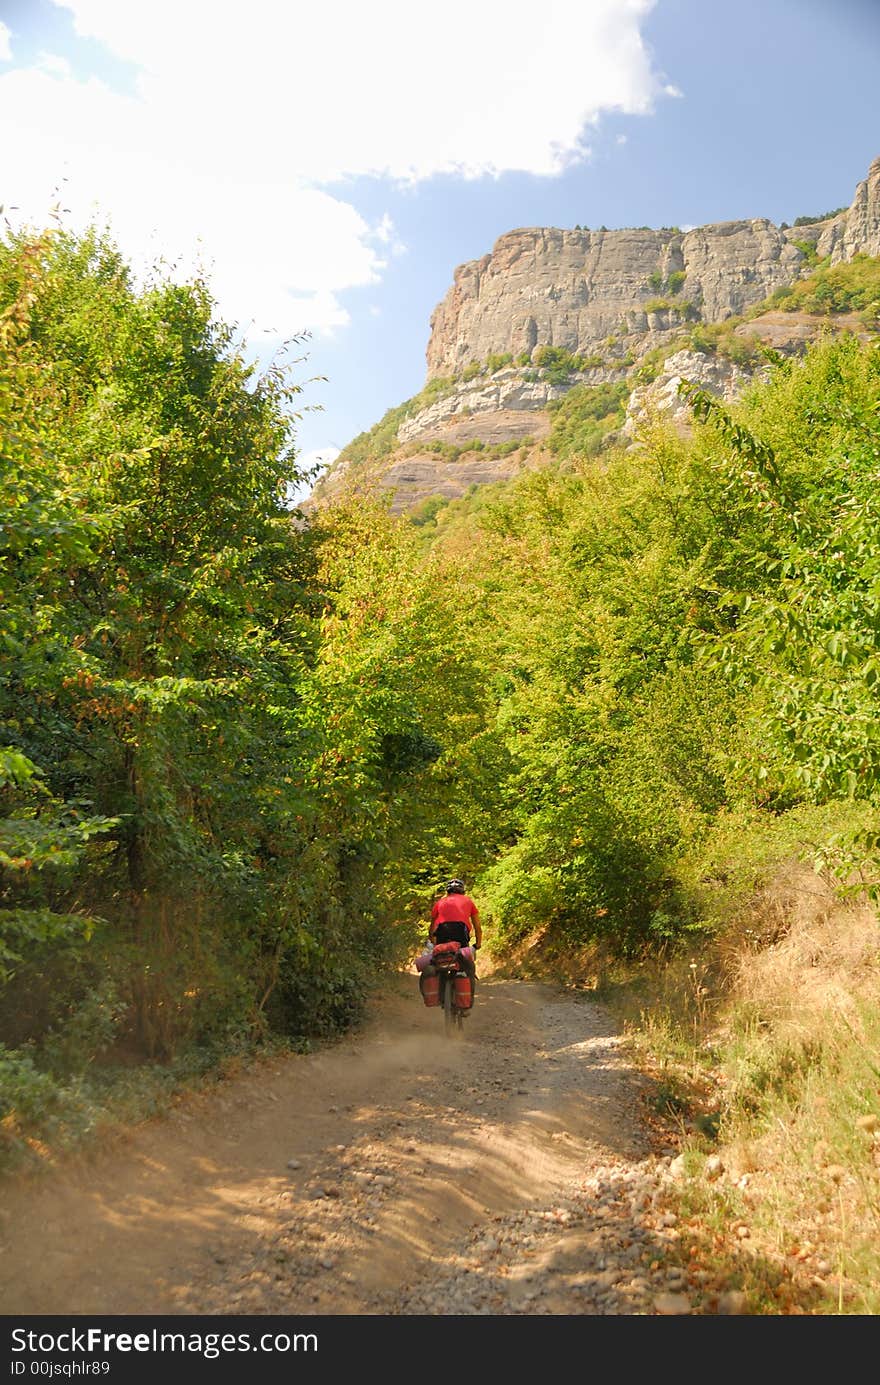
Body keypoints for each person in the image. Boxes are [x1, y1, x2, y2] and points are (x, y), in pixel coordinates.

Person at [425, 877, 481, 998]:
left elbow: (432, 928)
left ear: (448, 891)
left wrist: (434, 943)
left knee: (438, 963)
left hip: (441, 937)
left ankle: (439, 995)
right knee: (468, 965)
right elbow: (477, 927)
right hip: (461, 939)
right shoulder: (469, 902)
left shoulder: (439, 903)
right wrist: (478, 944)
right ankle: (468, 999)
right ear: (462, 890)